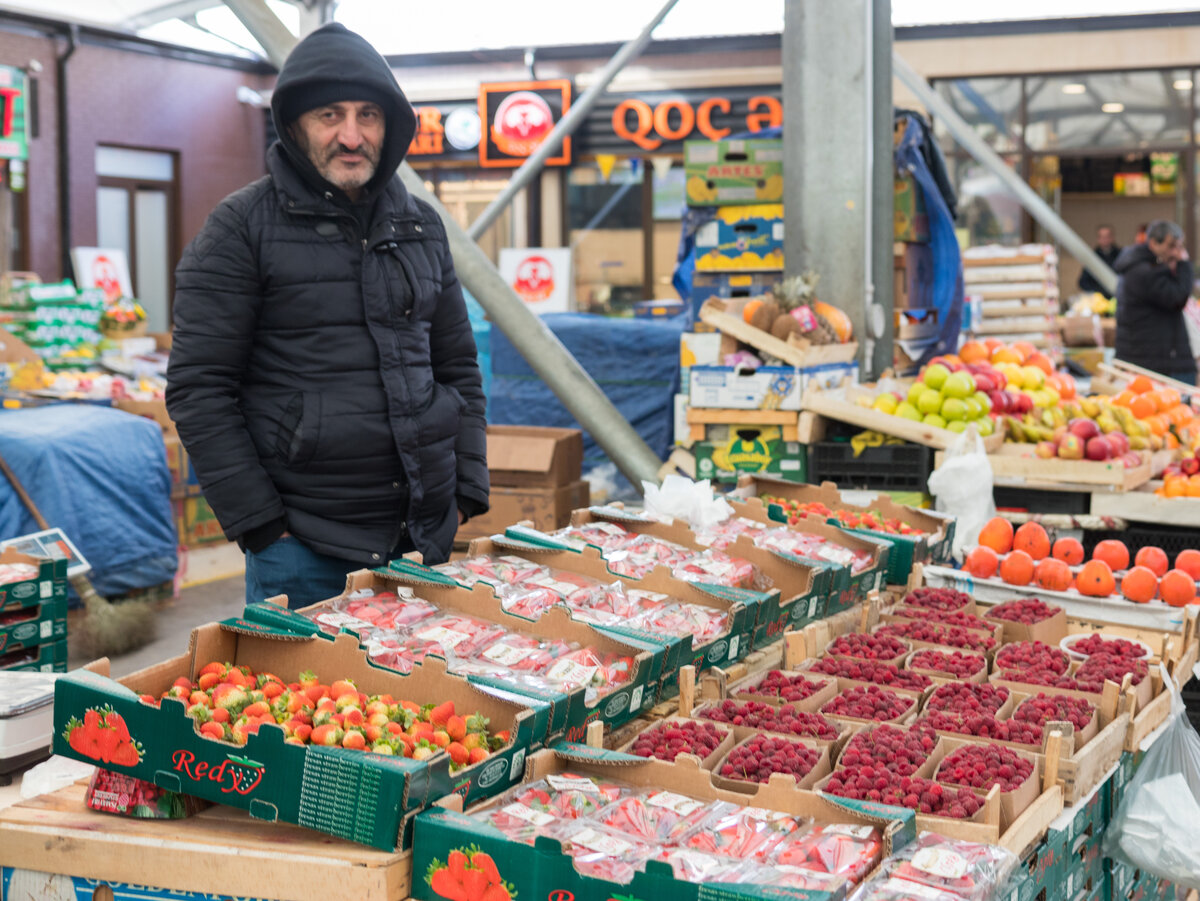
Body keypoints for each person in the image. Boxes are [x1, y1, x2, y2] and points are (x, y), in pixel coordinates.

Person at [166, 23, 488, 607]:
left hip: (422, 541)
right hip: (305, 548)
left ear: (389, 126)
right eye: (329, 115)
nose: (351, 134)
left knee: (421, 698)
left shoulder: (421, 225)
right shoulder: (240, 228)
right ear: (294, 125)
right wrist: (262, 524)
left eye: (368, 115)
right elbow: (199, 389)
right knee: (309, 700)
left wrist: (465, 489)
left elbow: (458, 365)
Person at [1113, 219, 1197, 385]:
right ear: (1153, 243)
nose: (1176, 253)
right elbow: (1177, 297)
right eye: (1171, 246)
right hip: (1154, 363)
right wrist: (1184, 265)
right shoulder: (1145, 272)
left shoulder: (1140, 266)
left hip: (1149, 358)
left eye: (1179, 247)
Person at [1078, 224, 1121, 295]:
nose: (1105, 239)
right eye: (1102, 237)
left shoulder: (1121, 255)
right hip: (1098, 298)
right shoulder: (1092, 257)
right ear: (1098, 239)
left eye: (1107, 236)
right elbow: (1083, 282)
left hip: (1118, 295)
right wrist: (1097, 291)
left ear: (1112, 237)